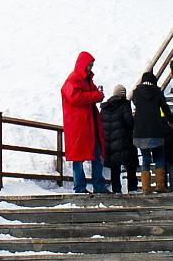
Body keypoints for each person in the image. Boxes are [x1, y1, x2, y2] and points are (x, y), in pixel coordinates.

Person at [59, 52, 106, 195]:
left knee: (95, 155)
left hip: (88, 124)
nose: (90, 68)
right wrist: (96, 95)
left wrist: (97, 95)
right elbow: (74, 97)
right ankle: (80, 187)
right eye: (89, 65)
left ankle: (96, 186)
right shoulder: (73, 79)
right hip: (79, 126)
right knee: (78, 158)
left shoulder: (85, 79)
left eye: (91, 65)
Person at [129, 75, 173, 193]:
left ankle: (146, 187)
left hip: (140, 131)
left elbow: (135, 104)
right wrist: (171, 121)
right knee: (159, 157)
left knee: (145, 159)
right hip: (156, 130)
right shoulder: (157, 92)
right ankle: (160, 185)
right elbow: (165, 108)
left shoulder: (136, 92)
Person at [99, 85, 138, 194]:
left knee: (114, 167)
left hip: (110, 141)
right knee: (130, 163)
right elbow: (129, 122)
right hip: (124, 140)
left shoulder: (105, 107)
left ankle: (116, 189)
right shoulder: (125, 104)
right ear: (123, 94)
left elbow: (102, 123)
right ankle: (132, 188)